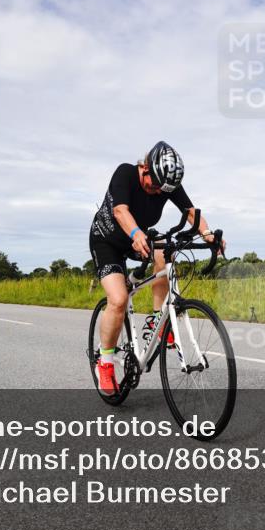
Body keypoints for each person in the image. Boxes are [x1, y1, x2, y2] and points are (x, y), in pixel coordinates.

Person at [89, 141, 224, 395]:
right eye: (153, 185)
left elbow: (191, 212)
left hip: (138, 238)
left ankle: (156, 319)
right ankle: (105, 361)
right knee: (117, 300)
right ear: (145, 167)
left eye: (162, 189)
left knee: (165, 250)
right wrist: (136, 233)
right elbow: (120, 211)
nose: (156, 191)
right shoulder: (126, 173)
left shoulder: (165, 184)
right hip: (107, 241)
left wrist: (207, 233)